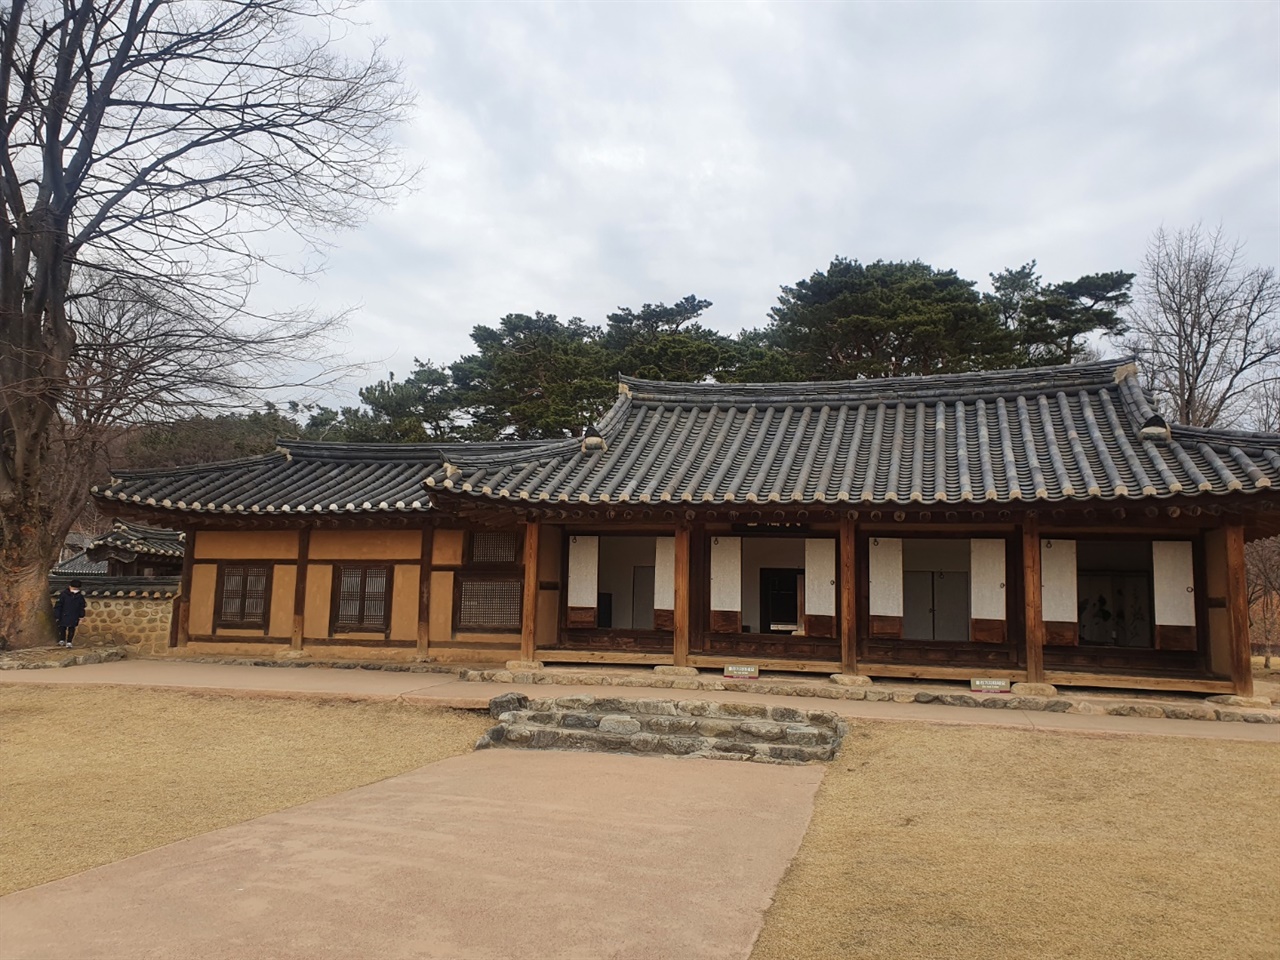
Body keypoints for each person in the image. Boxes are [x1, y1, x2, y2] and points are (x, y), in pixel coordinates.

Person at [53, 580, 87, 648]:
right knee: (62, 628)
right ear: (70, 587)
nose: (75, 590)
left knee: (72, 628)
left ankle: (69, 641)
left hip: (74, 615)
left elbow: (82, 607)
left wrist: (81, 616)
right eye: (74, 588)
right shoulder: (64, 595)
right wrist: (57, 615)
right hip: (63, 614)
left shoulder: (80, 597)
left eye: (77, 589)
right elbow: (58, 606)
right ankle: (62, 640)